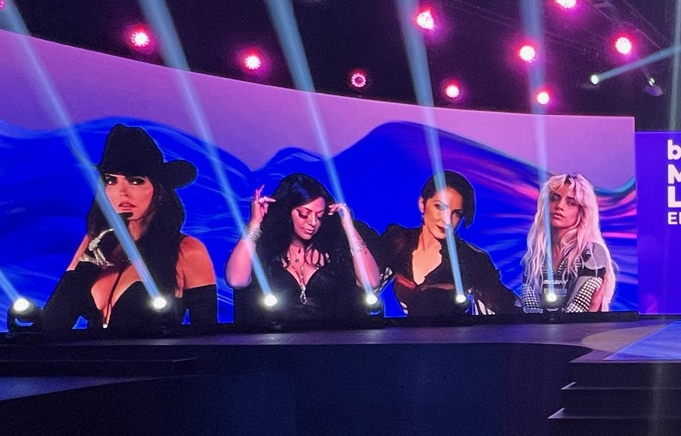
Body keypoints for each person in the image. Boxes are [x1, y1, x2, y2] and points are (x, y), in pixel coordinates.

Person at [40, 123, 217, 333]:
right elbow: (52, 324)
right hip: (91, 363)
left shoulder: (188, 250)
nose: (121, 192)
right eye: (111, 180)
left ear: (158, 191)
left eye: (135, 181)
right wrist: (88, 263)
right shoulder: (94, 243)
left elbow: (206, 334)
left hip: (153, 363)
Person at [226, 171, 382, 326]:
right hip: (277, 344)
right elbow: (236, 280)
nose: (313, 222)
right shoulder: (266, 247)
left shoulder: (335, 246)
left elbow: (371, 282)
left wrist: (348, 227)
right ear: (287, 212)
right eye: (304, 214)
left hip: (335, 342)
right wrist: (254, 224)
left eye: (319, 216)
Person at [371, 170, 519, 316]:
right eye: (439, 207)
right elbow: (366, 282)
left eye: (457, 213)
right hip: (401, 337)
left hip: (455, 338)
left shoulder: (470, 258)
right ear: (422, 204)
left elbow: (505, 309)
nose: (447, 220)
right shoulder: (398, 240)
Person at [520, 172, 616, 313]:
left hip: (582, 333)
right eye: (554, 198)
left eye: (571, 203)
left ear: (582, 211)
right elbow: (529, 309)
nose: (559, 206)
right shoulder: (535, 256)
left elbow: (579, 310)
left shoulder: (593, 253)